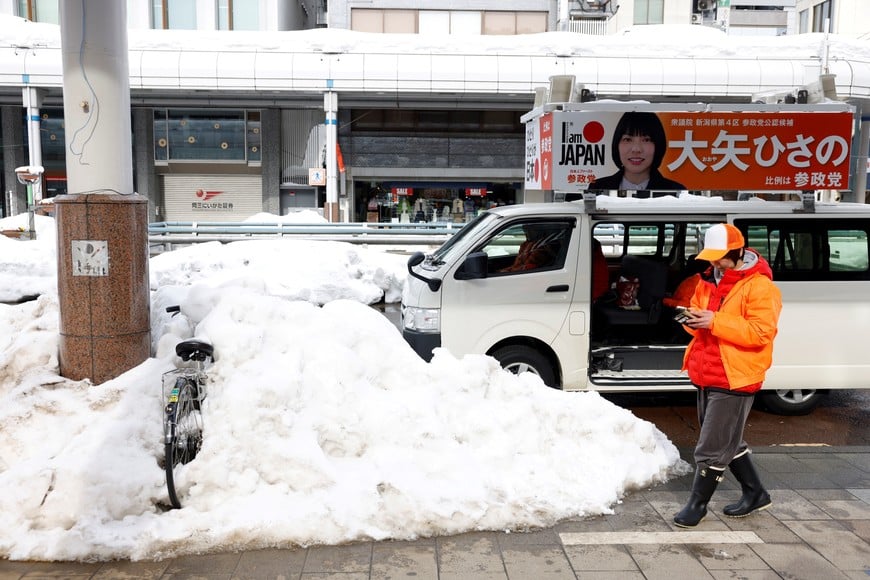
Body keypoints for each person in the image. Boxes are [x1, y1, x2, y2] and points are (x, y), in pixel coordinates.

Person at [673, 223, 782, 528]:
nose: (714, 263)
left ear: (737, 253)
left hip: (736, 376)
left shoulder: (760, 287)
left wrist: (715, 321)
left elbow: (761, 333)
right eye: (712, 257)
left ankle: (697, 506)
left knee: (710, 446)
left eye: (720, 257)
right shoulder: (708, 280)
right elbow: (698, 315)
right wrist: (693, 320)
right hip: (707, 371)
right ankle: (756, 493)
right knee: (726, 440)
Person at [589, 112, 686, 192]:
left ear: (658, 145)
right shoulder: (598, 187)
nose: (636, 149)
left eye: (646, 140)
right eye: (628, 139)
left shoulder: (676, 191)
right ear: (616, 144)